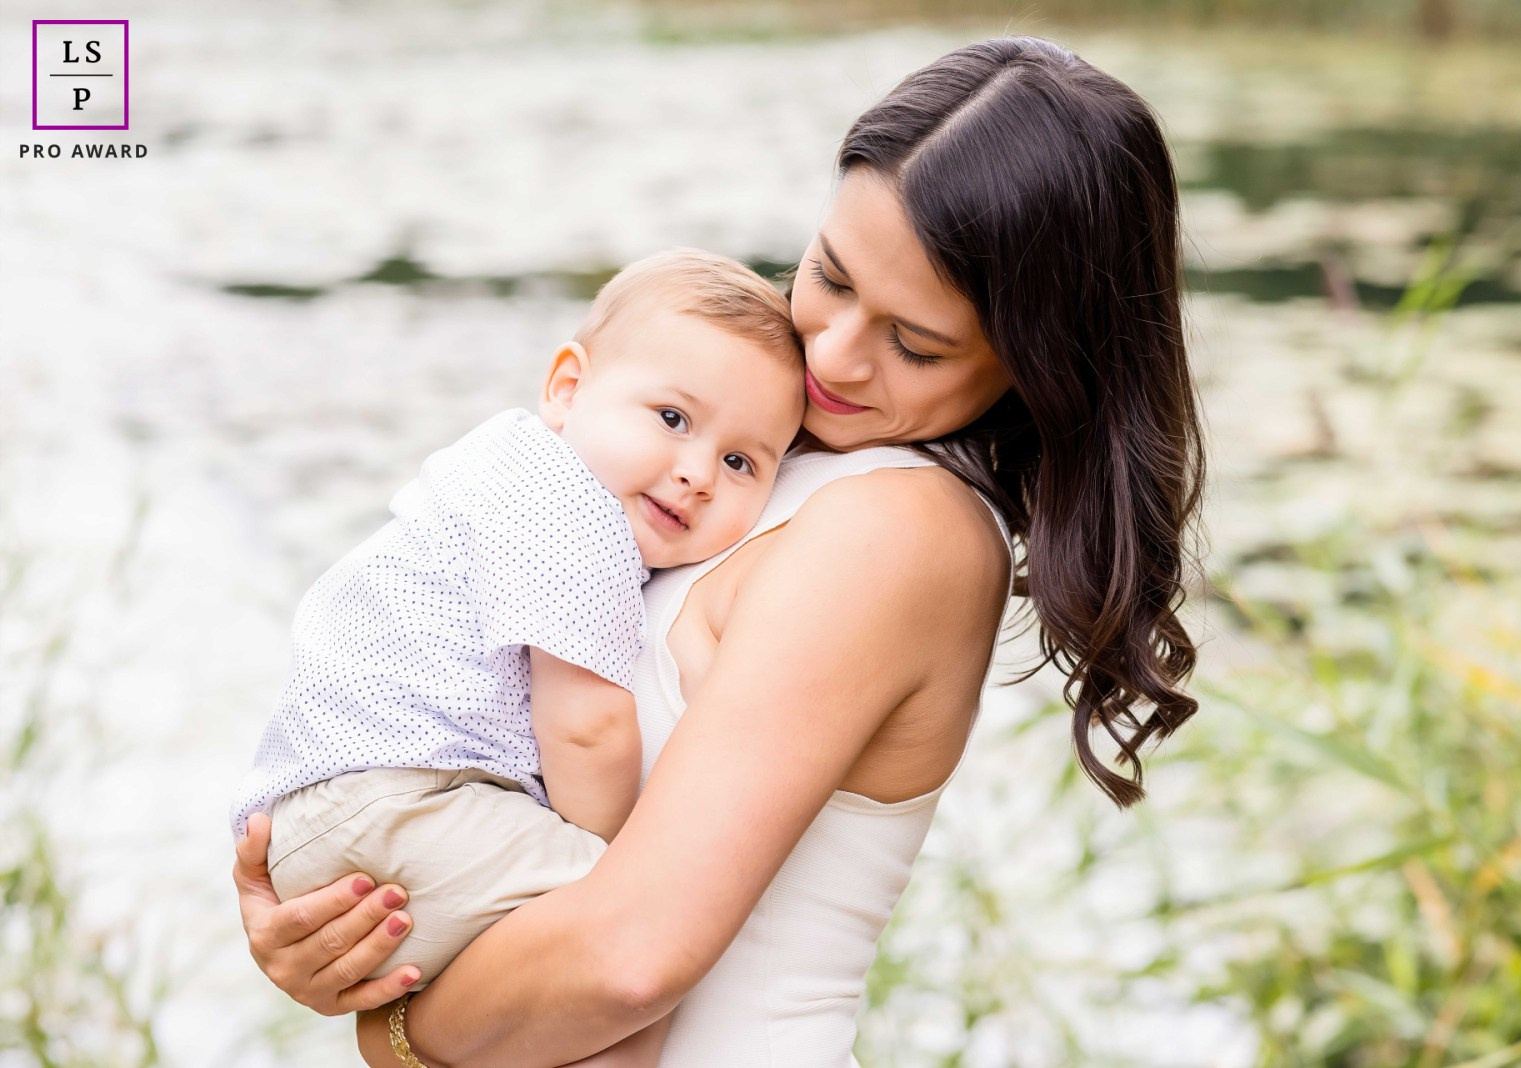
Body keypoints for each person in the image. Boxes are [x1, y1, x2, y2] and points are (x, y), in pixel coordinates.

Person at [232, 36, 1205, 1068]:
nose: (829, 355)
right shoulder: (751, 460)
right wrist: (353, 920)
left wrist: (390, 1027)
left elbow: (627, 962)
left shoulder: (900, 532)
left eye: (913, 343)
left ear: (1036, 365)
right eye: (827, 276)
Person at [231, 249, 805, 1063]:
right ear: (568, 388)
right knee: (627, 940)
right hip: (408, 803)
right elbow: (587, 728)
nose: (697, 474)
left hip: (342, 811)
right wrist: (606, 860)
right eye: (673, 419)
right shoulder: (574, 515)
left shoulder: (500, 466)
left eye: (741, 462)